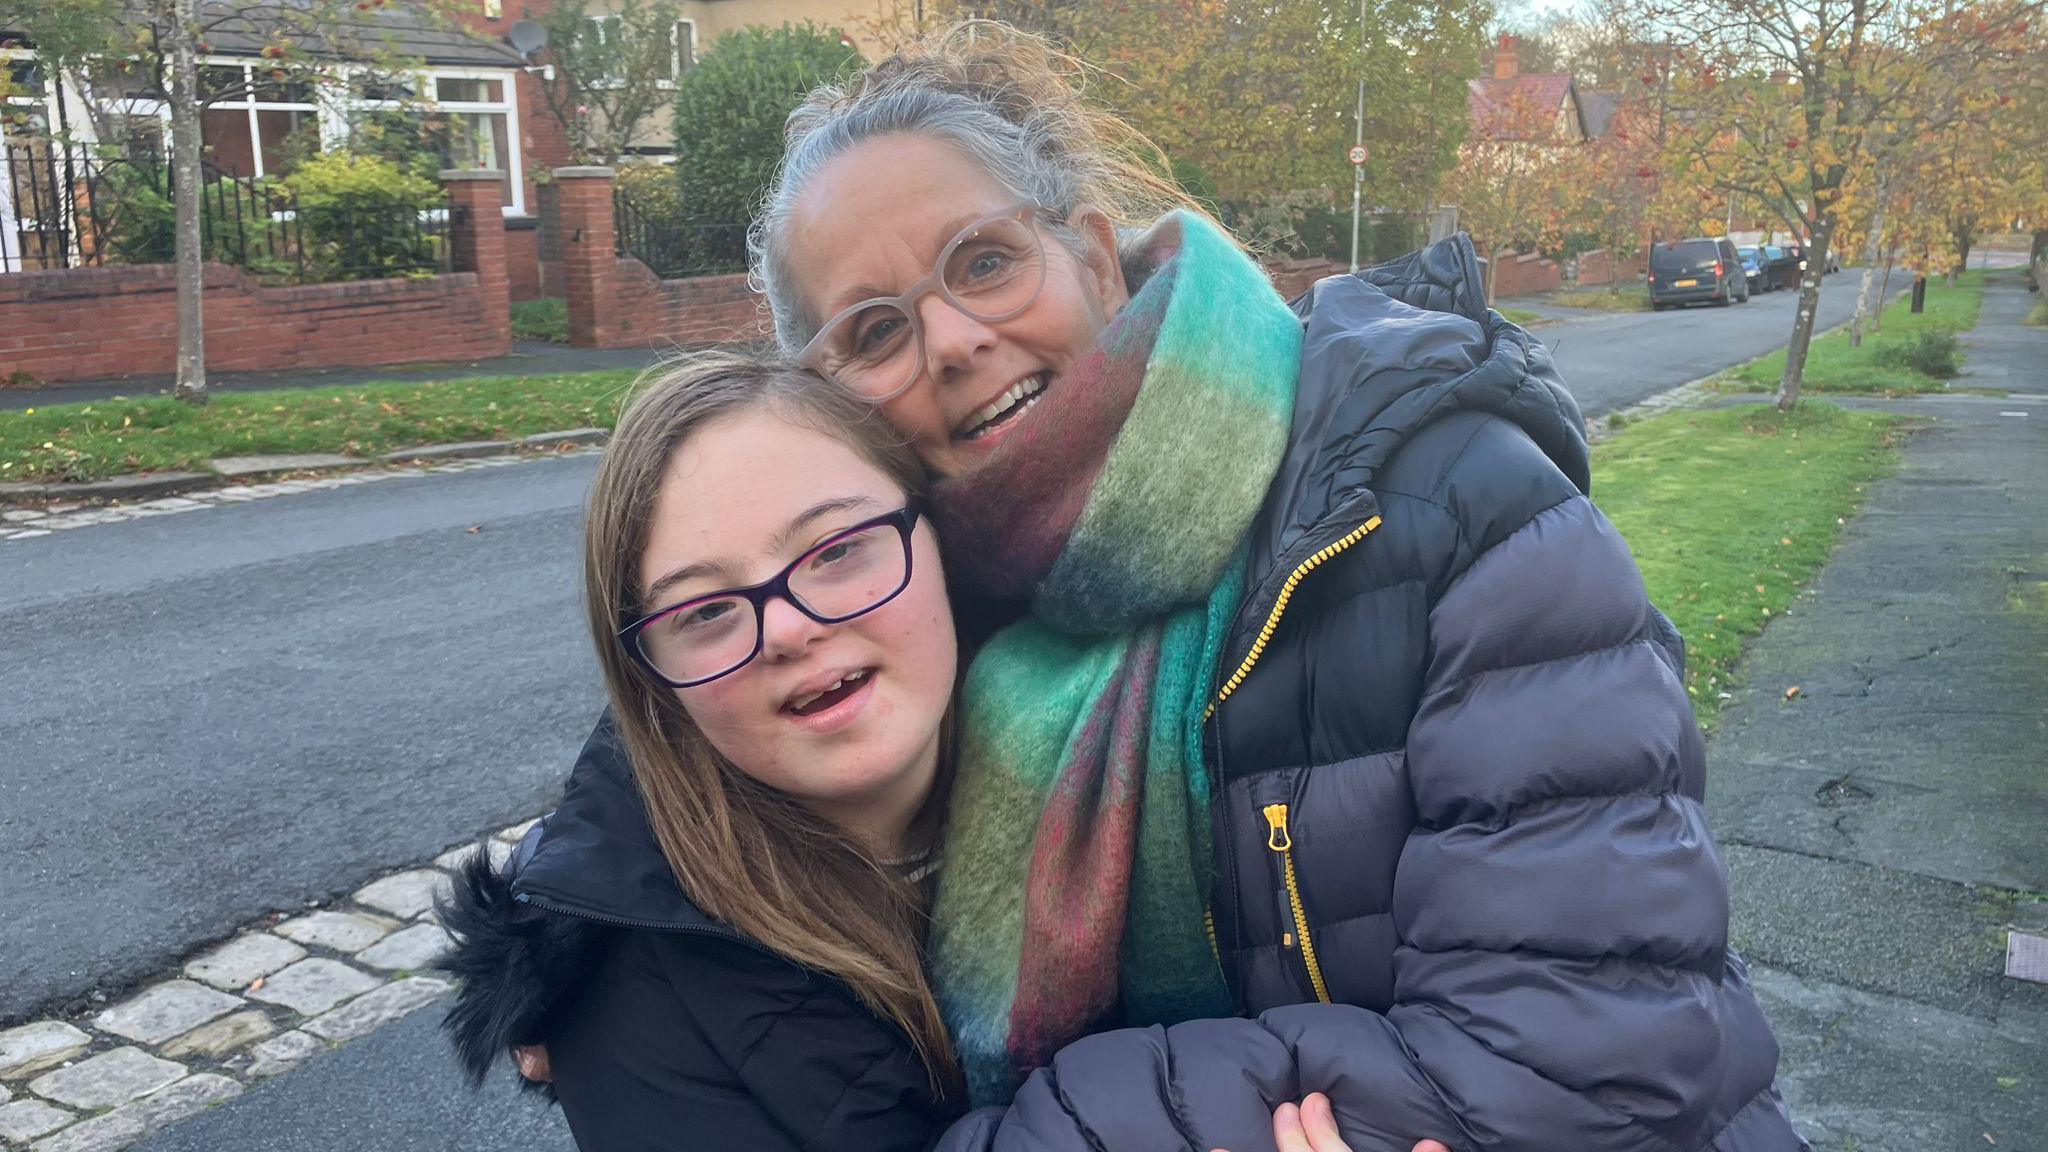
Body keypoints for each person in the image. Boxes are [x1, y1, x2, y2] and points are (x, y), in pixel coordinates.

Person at [743, 21, 1805, 1152]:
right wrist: (572, 936)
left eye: (985, 261)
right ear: (829, 403)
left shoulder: (1441, 503)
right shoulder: (907, 595)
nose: (950, 339)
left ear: (1094, 260)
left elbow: (1583, 1063)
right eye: (871, 331)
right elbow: (699, 686)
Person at [438, 350, 970, 1150]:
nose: (791, 629)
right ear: (655, 684)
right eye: (706, 611)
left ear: (940, 538)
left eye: (837, 550)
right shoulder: (630, 1007)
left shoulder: (1157, 749)